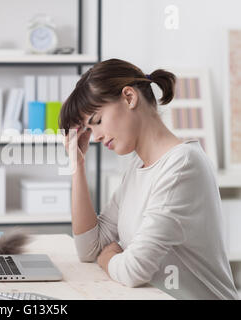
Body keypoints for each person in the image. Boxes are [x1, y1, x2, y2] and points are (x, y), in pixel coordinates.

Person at [60, 58, 238, 300]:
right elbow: (89, 248)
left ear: (130, 98)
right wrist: (77, 165)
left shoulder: (182, 165)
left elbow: (134, 270)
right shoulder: (137, 168)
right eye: (89, 130)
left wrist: (109, 257)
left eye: (98, 121)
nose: (96, 137)